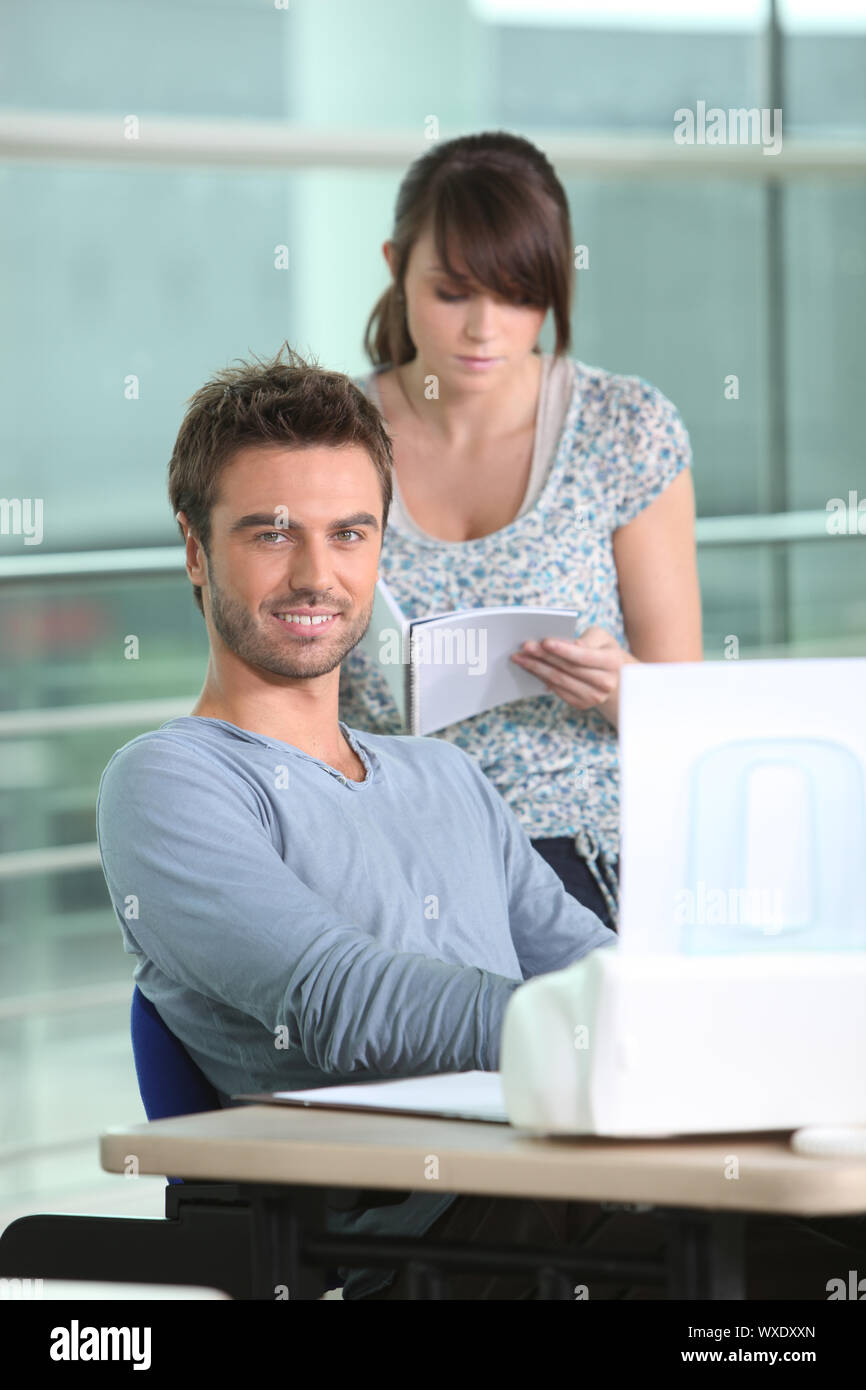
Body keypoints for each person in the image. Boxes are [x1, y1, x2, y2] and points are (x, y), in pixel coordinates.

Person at [95, 344, 617, 1302]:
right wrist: (606, 1027)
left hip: (578, 1191)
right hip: (426, 1248)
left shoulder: (447, 773)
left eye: (349, 534)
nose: (315, 575)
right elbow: (341, 1001)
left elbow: (593, 967)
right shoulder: (169, 782)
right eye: (270, 534)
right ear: (194, 550)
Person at [339, 130, 704, 931]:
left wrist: (621, 688)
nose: (485, 330)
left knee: (553, 1020)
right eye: (454, 292)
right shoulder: (329, 433)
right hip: (388, 844)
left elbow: (688, 713)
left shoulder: (623, 428)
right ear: (396, 267)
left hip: (575, 846)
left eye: (518, 295)